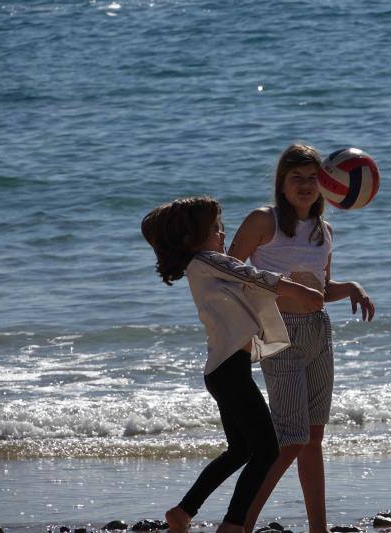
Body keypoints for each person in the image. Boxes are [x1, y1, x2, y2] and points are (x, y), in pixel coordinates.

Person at [140, 196, 324, 533]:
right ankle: (234, 524)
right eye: (215, 230)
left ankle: (182, 512)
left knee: (241, 449)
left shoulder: (204, 265)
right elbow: (252, 275)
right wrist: (298, 291)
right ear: (190, 239)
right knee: (266, 450)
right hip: (228, 373)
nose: (223, 235)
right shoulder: (208, 261)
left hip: (225, 371)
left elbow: (248, 286)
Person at [227, 143, 376, 533]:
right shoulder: (264, 221)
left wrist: (353, 288)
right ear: (282, 183)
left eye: (313, 178)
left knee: (312, 438)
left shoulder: (324, 231)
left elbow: (321, 289)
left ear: (327, 184)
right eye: (297, 178)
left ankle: (318, 529)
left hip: (318, 333)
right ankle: (240, 523)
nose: (306, 186)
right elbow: (227, 274)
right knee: (289, 440)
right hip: (278, 334)